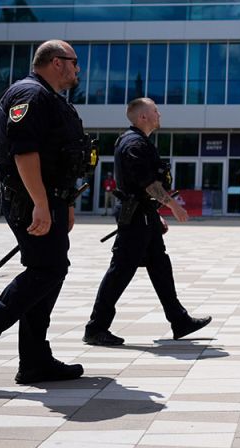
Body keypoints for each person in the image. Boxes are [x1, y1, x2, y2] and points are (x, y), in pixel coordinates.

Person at [0, 40, 89, 386]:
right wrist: (42, 204)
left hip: (50, 199)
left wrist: (66, 203)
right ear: (57, 62)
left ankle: (34, 360)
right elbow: (24, 153)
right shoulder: (29, 95)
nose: (78, 70)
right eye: (75, 63)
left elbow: (61, 159)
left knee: (50, 271)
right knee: (47, 270)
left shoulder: (52, 99)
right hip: (30, 201)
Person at [83, 98, 211, 347]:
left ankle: (179, 320)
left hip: (143, 213)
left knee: (160, 265)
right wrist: (173, 206)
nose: (159, 113)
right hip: (135, 216)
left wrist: (154, 214)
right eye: (155, 110)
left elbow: (144, 187)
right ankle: (96, 327)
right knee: (121, 270)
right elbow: (147, 183)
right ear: (143, 116)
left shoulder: (138, 141)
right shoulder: (134, 143)